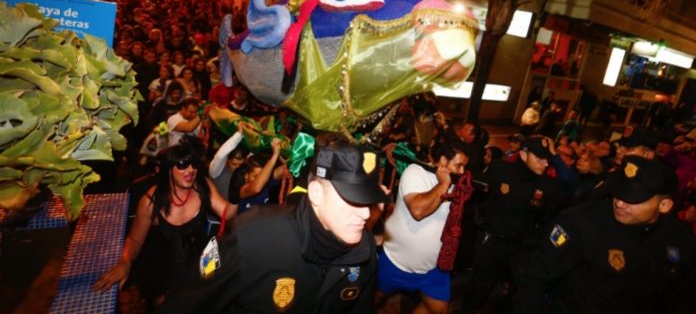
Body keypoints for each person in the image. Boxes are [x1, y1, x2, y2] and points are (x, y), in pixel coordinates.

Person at [159, 135, 388, 313]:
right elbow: (188, 302)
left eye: (368, 201)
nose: (366, 213)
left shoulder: (364, 250)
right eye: (351, 200)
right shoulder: (252, 236)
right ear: (316, 193)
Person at [513, 156, 696, 313]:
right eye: (619, 193)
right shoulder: (581, 222)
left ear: (664, 205)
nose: (620, 203)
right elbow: (535, 278)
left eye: (633, 199)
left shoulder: (681, 238)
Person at [94, 137, 237, 306]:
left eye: (194, 164)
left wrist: (237, 194)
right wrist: (126, 262)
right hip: (163, 274)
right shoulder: (150, 202)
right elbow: (134, 239)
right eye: (182, 164)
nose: (191, 170)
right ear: (169, 169)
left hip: (198, 266)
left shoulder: (202, 186)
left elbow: (227, 213)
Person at [462, 136, 561, 313]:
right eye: (539, 158)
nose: (545, 164)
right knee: (479, 286)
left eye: (547, 159)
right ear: (523, 154)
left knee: (519, 290)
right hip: (492, 241)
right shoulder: (500, 170)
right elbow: (476, 190)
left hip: (520, 247)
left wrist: (531, 243)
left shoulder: (548, 186)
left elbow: (546, 220)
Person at [377, 141, 468, 314]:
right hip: (395, 260)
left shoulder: (456, 183)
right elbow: (418, 210)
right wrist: (443, 184)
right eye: (459, 165)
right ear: (442, 161)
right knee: (373, 298)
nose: (462, 172)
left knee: (438, 310)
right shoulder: (415, 172)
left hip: (432, 267)